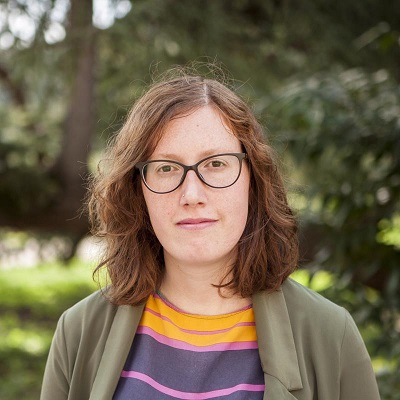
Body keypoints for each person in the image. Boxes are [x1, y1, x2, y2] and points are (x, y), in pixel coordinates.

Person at [40, 67, 381, 400]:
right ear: (137, 190)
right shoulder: (79, 331)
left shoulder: (330, 336)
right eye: (166, 168)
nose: (191, 195)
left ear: (253, 179)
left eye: (216, 164)